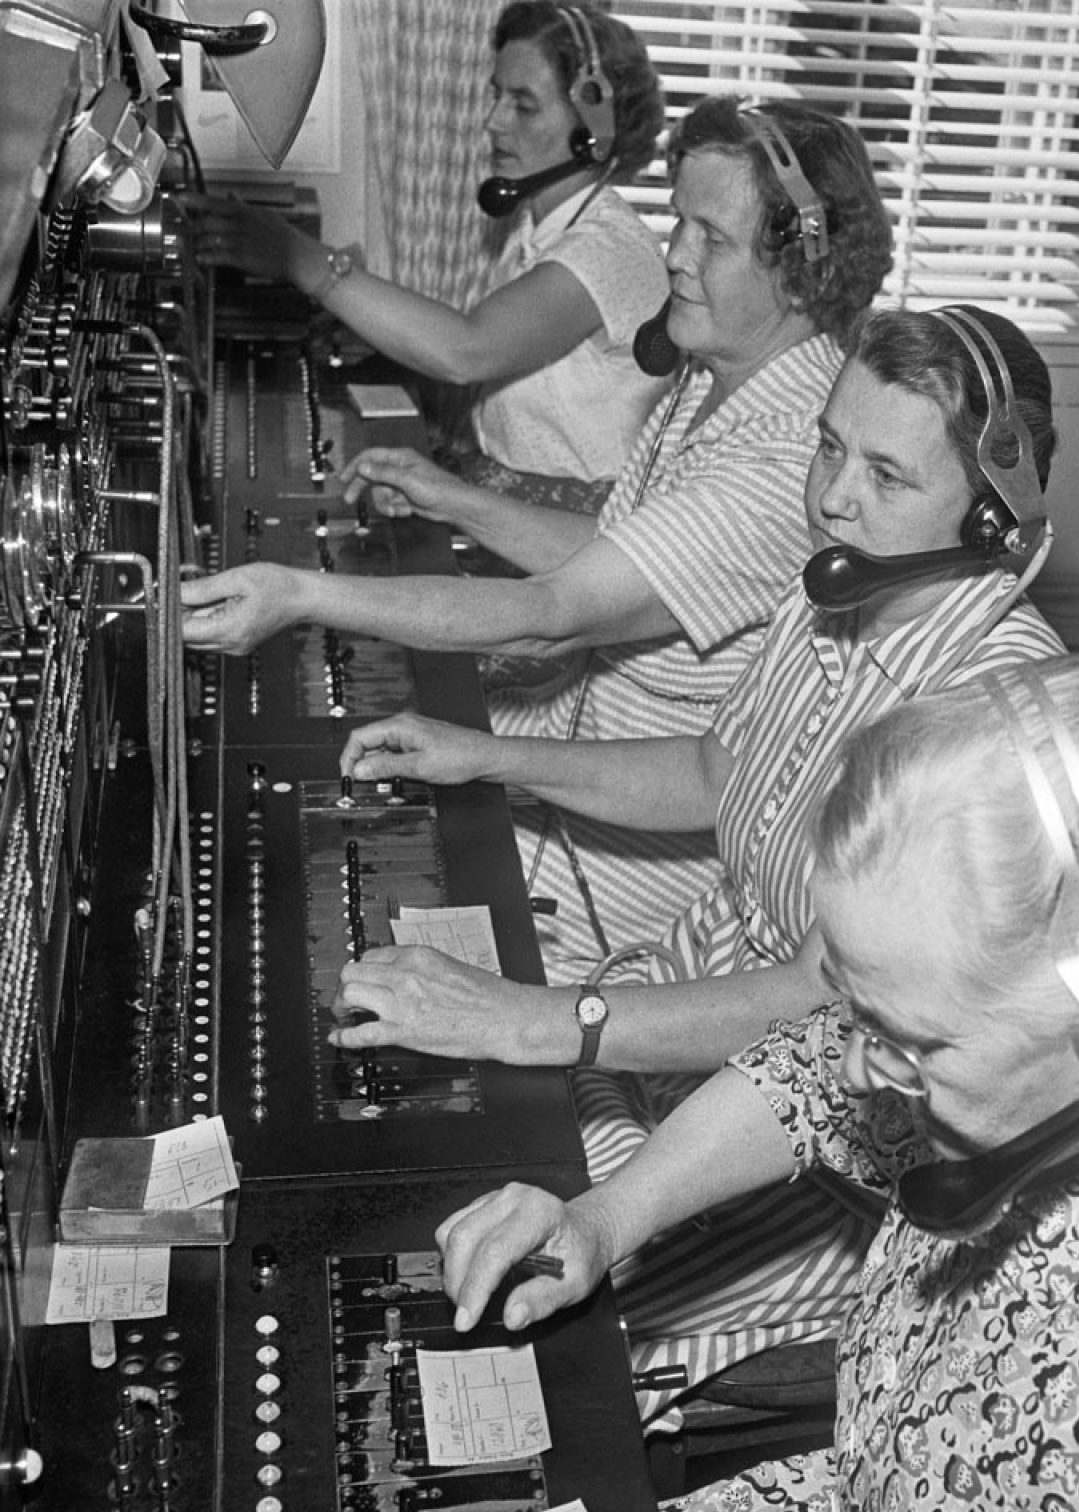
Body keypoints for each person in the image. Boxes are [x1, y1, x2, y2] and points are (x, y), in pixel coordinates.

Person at [437, 652, 1079, 1512]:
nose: (855, 1064)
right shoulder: (1018, 1068)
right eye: (854, 1005)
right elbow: (804, 1074)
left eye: (904, 1039)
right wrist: (603, 1216)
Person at [332, 305, 1066, 1419]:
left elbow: (817, 1004)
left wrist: (534, 1018)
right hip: (675, 1004)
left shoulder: (983, 720)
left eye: (885, 474)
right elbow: (715, 772)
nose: (833, 496)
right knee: (440, 1140)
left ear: (991, 515)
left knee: (493, 1318)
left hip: (824, 1157)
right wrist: (489, 757)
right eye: (829, 447)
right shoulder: (842, 587)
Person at [182, 96, 894, 977]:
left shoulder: (789, 452)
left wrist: (299, 593)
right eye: (678, 222)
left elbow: (553, 615)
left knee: (294, 912)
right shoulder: (720, 375)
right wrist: (456, 501)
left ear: (804, 272)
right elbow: (622, 549)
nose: (675, 256)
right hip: (561, 776)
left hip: (614, 879)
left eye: (713, 238)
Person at [192, 1, 670, 499]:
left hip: (582, 525)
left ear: (595, 131)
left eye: (524, 105)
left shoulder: (607, 251)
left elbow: (468, 351)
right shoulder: (537, 226)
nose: (494, 121)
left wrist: (299, 258)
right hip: (510, 489)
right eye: (497, 96)